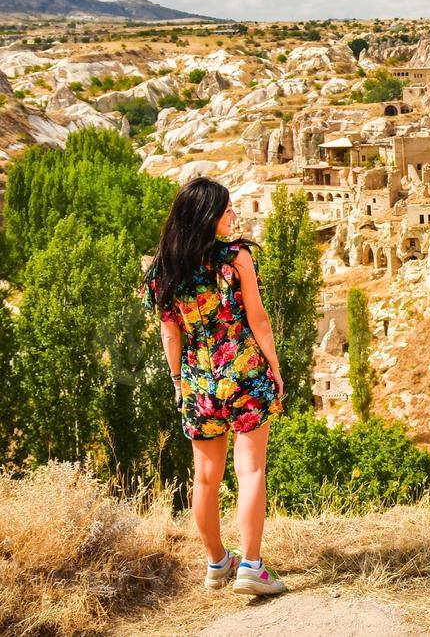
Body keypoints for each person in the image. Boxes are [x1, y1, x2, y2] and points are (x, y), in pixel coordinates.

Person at [142, 177, 287, 596]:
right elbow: (257, 318)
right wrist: (274, 366)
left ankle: (217, 562)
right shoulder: (235, 258)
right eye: (226, 210)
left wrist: (177, 381)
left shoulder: (163, 268)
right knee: (251, 469)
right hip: (244, 374)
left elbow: (171, 337)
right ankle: (252, 567)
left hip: (198, 383)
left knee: (204, 479)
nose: (233, 216)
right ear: (208, 215)